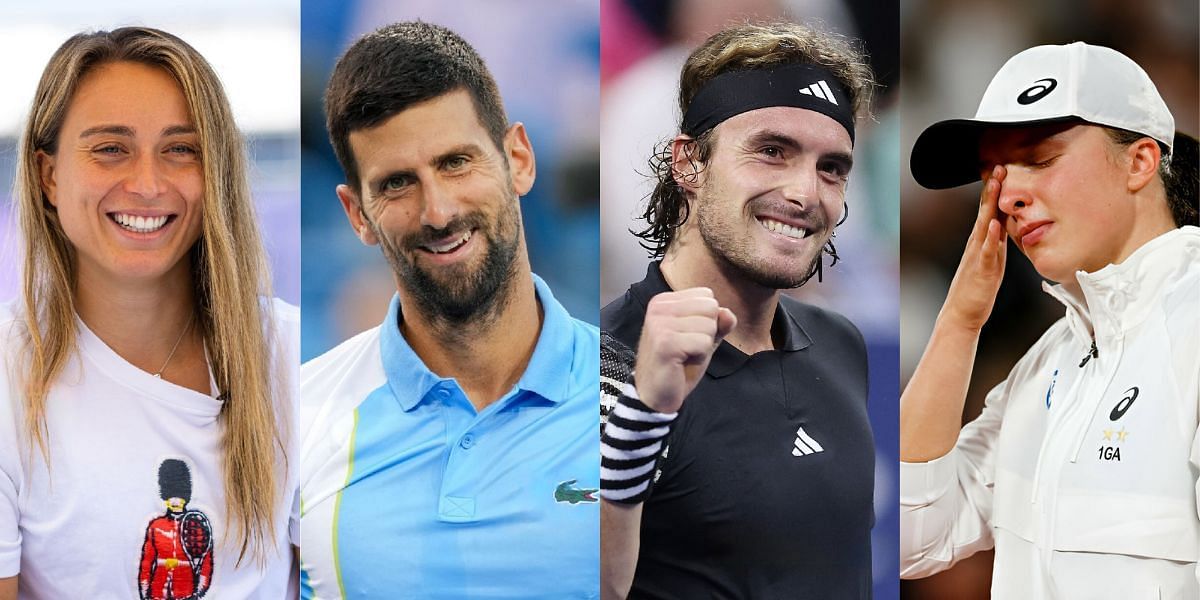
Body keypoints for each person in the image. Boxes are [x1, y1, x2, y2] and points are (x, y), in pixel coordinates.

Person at [298, 22, 599, 598]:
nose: (437, 212)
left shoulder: (636, 399)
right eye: (396, 184)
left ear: (519, 159)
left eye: (457, 163)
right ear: (356, 214)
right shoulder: (295, 424)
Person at [0, 27, 299, 599]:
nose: (147, 183)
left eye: (181, 149)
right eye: (110, 148)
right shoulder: (8, 379)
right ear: (49, 176)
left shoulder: (290, 358)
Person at [900, 42, 1199, 598]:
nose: (1007, 195)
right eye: (993, 173)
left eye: (1039, 159)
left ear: (1139, 162)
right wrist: (960, 324)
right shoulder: (1048, 361)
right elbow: (912, 537)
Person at [600, 21, 877, 599]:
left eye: (832, 168)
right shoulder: (597, 362)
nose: (806, 192)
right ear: (689, 165)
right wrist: (643, 416)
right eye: (772, 152)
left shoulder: (843, 345)